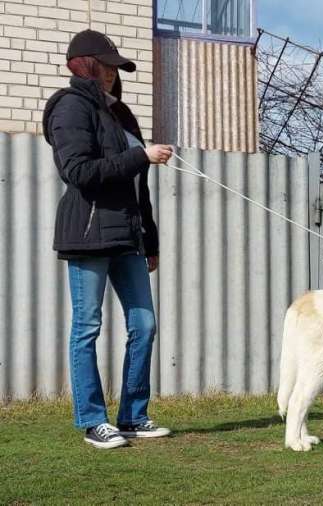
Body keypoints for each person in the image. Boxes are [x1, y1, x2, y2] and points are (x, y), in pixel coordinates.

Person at [42, 30, 174, 449]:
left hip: (127, 237)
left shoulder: (122, 116)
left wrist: (149, 240)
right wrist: (140, 154)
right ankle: (93, 421)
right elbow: (78, 171)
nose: (113, 74)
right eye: (107, 65)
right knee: (87, 327)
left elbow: (140, 188)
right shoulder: (70, 108)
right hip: (88, 234)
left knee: (145, 324)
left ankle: (133, 415)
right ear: (84, 65)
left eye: (116, 68)